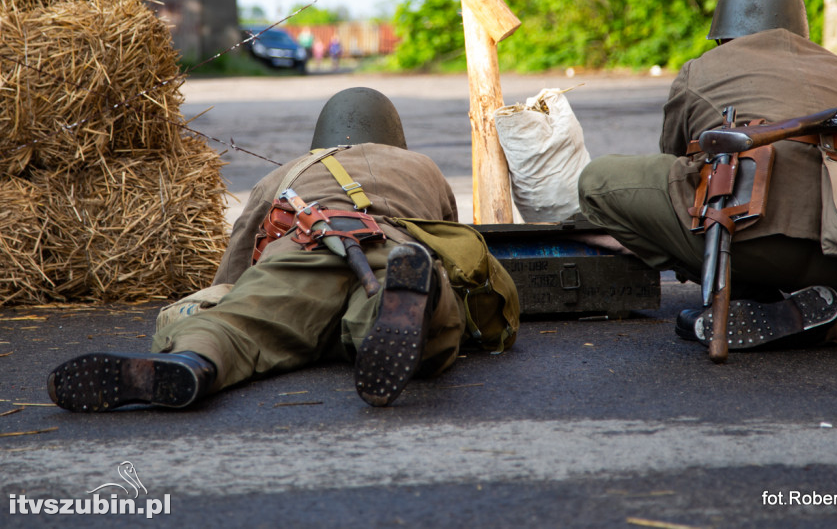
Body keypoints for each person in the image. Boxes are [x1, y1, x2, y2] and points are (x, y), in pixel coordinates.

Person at [48, 87, 518, 410]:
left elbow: (233, 274)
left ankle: (190, 362)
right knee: (397, 307)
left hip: (303, 247)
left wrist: (228, 302)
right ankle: (410, 301)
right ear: (393, 133)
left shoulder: (284, 174)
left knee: (238, 326)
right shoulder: (421, 165)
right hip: (388, 244)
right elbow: (447, 235)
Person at [577, 0, 837, 352]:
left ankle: (748, 291)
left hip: (744, 241)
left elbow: (676, 159)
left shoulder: (700, 70)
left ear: (723, 31)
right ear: (799, 25)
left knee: (597, 182)